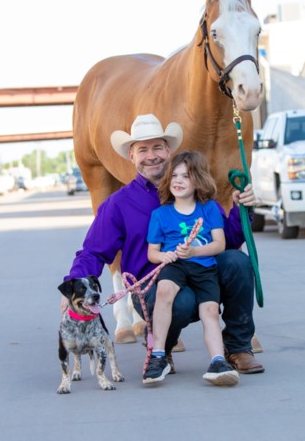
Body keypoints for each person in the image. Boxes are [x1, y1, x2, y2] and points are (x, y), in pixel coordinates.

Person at [61, 113, 264, 376]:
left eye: (157, 147)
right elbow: (93, 251)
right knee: (182, 299)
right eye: (142, 149)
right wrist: (73, 284)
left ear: (169, 151)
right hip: (154, 285)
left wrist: (241, 208)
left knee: (237, 261)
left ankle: (237, 347)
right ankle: (161, 348)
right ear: (131, 156)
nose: (152, 155)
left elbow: (229, 240)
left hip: (204, 273)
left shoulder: (198, 193)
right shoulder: (118, 205)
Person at [143, 150, 239, 386]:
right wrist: (165, 255)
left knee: (210, 312)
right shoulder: (160, 214)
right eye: (174, 175)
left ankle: (217, 361)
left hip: (204, 267)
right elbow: (152, 253)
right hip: (175, 265)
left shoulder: (209, 209)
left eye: (185, 176)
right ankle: (158, 355)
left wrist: (195, 251)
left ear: (198, 180)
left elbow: (220, 244)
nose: (178, 180)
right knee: (164, 291)